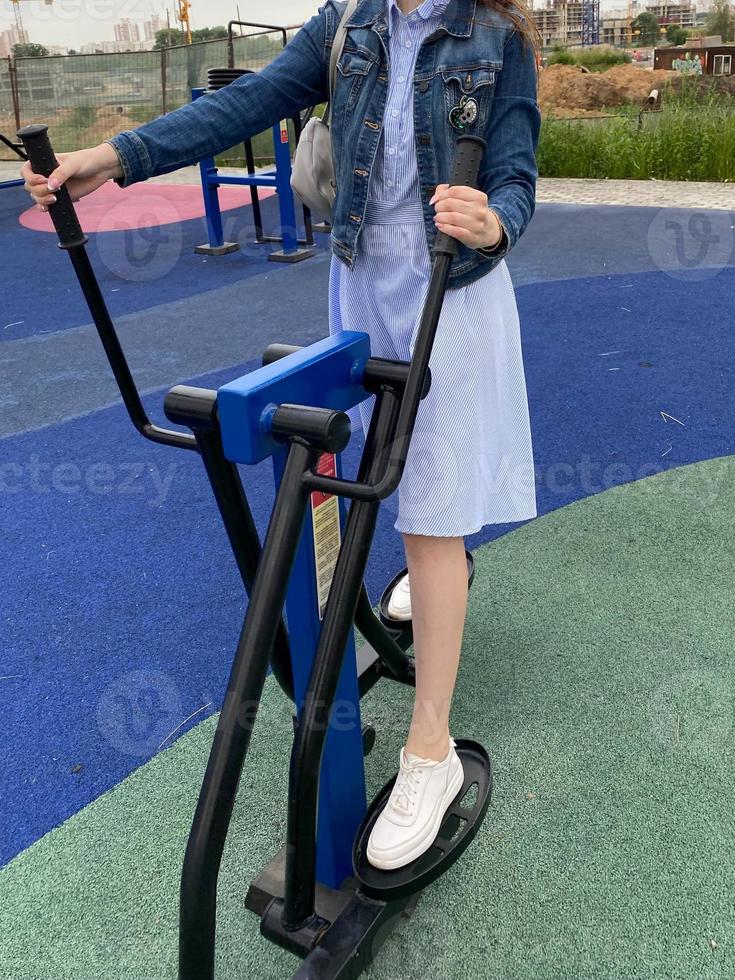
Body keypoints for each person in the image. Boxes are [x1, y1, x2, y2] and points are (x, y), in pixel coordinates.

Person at [23, 0, 540, 872]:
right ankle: (426, 572)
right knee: (365, 472)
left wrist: (496, 222)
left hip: (451, 293)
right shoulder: (347, 24)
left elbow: (518, 175)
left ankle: (431, 752)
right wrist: (112, 159)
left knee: (428, 510)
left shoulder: (497, 39)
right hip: (361, 291)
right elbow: (245, 103)